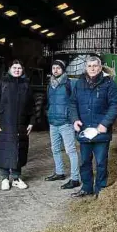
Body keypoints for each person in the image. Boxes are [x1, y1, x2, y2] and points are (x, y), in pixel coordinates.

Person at [69, 56, 117, 198]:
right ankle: (86, 188)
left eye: (95, 66)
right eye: (89, 66)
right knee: (85, 162)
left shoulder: (109, 84)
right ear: (86, 68)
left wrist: (105, 124)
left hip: (101, 132)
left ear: (100, 67)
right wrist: (74, 120)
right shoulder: (79, 83)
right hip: (84, 130)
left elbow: (115, 105)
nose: (92, 68)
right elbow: (72, 103)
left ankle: (100, 189)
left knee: (100, 163)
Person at [0, 59, 35, 191]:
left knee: (19, 150)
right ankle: (4, 178)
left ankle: (16, 178)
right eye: (14, 67)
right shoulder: (2, 83)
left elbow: (31, 106)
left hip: (21, 124)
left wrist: (31, 122)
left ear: (22, 70)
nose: (17, 70)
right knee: (4, 149)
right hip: (4, 123)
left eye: (19, 68)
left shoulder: (26, 85)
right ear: (10, 69)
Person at [45, 60, 80, 189]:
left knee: (70, 150)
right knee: (55, 149)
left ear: (63, 70)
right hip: (53, 122)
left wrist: (73, 118)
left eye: (58, 68)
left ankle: (75, 178)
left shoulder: (70, 83)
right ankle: (59, 173)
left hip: (66, 123)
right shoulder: (50, 85)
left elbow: (76, 101)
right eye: (53, 68)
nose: (55, 70)